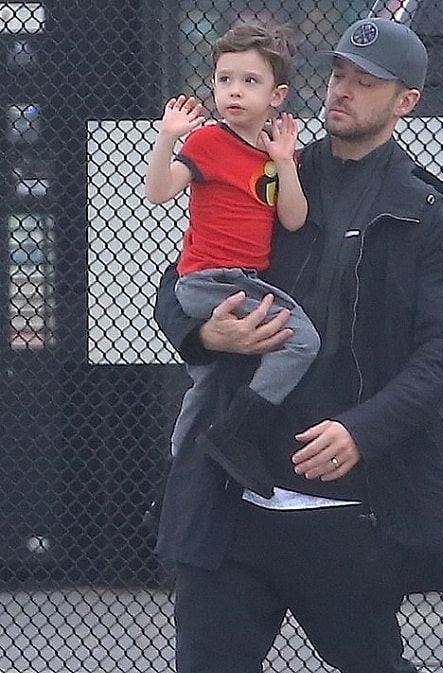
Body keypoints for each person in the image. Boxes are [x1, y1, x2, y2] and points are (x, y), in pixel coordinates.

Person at [122, 16, 443, 673]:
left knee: (375, 672)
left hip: (342, 500)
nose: (342, 90)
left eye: (367, 80)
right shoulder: (273, 166)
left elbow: (441, 357)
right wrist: (203, 330)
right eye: (339, 73)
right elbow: (181, 276)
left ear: (408, 101)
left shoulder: (424, 212)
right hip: (233, 477)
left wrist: (361, 432)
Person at [145, 21, 320, 498]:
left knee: (204, 384)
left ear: (277, 95)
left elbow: (294, 219)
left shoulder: (274, 153)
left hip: (240, 281)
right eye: (224, 80)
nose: (234, 92)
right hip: (209, 282)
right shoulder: (206, 143)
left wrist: (285, 161)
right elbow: (159, 193)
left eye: (249, 81)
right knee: (301, 340)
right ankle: (238, 432)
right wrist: (169, 136)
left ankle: (177, 480)